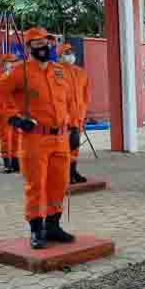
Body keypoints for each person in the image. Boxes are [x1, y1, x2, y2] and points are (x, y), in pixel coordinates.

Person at [0, 27, 78, 250]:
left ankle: (53, 225)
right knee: (36, 185)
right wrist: (14, 118)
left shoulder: (59, 71)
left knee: (59, 183)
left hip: (60, 138)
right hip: (34, 139)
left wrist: (75, 127)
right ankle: (37, 230)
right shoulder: (20, 72)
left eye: (46, 42)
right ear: (28, 47)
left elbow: (70, 101)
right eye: (37, 44)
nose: (43, 47)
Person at [60, 43, 91, 184]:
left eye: (71, 52)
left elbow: (86, 96)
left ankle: (72, 172)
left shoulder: (81, 73)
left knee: (75, 147)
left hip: (78, 117)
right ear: (60, 55)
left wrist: (83, 114)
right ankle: (66, 174)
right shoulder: (56, 72)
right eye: (66, 53)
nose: (70, 55)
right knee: (66, 147)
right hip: (63, 118)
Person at [0, 54, 22, 174]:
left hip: (17, 112)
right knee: (6, 138)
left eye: (14, 62)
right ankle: (7, 162)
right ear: (4, 64)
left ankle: (15, 160)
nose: (12, 64)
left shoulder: (18, 77)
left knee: (16, 138)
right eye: (10, 62)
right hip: (4, 113)